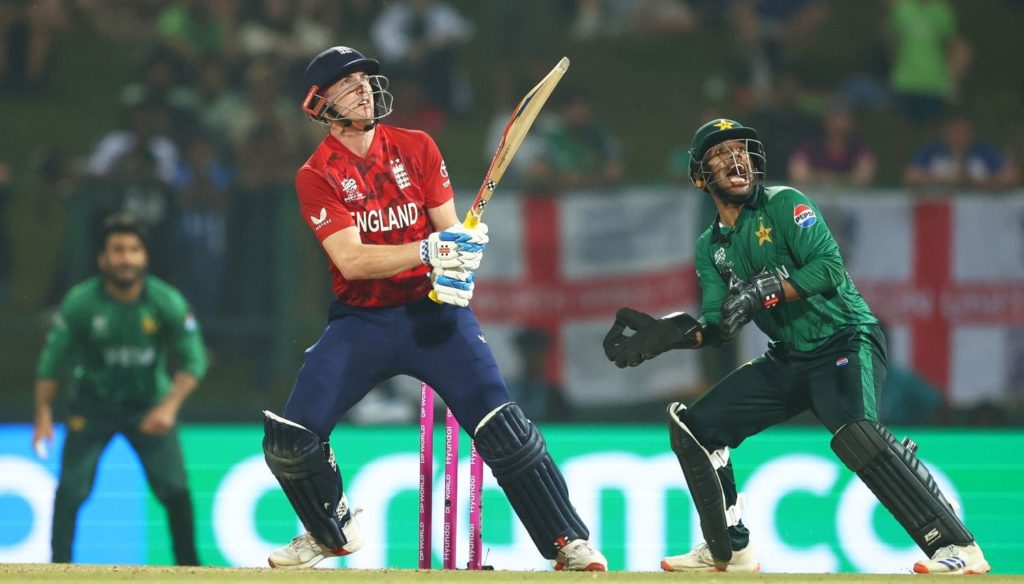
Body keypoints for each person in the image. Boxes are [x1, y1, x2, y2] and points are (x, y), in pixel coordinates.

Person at [261, 46, 606, 572]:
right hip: (364, 321)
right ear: (319, 103)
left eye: (367, 79)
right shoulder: (317, 175)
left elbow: (450, 235)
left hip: (435, 316)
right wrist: (429, 251)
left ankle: (567, 542)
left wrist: (461, 258)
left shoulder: (417, 146)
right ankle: (328, 529)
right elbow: (351, 260)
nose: (365, 88)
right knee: (292, 438)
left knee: (503, 430)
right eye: (347, 82)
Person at [602, 118, 990, 575]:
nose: (735, 158)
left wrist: (762, 291)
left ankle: (959, 549)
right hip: (789, 357)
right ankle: (732, 549)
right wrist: (671, 336)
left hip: (847, 338)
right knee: (696, 429)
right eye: (720, 153)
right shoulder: (711, 246)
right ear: (699, 176)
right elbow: (719, 323)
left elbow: (828, 268)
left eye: (740, 149)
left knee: (856, 435)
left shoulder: (786, 204)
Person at [31, 214, 207, 565]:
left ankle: (190, 569)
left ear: (144, 257)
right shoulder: (81, 303)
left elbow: (194, 361)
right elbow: (52, 361)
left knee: (175, 490)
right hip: (93, 405)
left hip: (148, 405)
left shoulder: (165, 301)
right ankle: (58, 569)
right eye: (117, 251)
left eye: (134, 250)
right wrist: (43, 413)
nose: (126, 258)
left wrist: (168, 407)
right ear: (103, 259)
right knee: (70, 491)